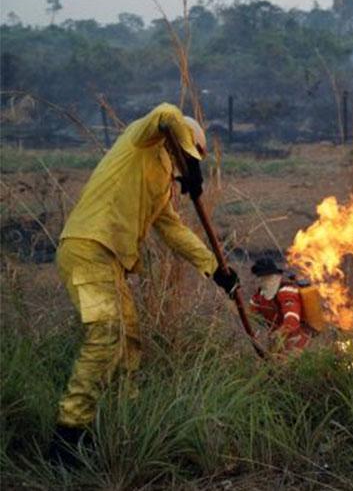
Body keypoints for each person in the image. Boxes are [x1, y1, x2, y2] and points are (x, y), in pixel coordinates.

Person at [49, 103, 240, 463]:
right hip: (89, 247)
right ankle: (67, 436)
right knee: (106, 334)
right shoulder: (142, 139)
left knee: (129, 341)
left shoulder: (161, 179)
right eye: (189, 155)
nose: (185, 162)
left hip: (111, 262)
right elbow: (168, 113)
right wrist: (193, 164)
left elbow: (171, 228)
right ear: (181, 144)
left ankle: (121, 425)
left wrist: (215, 269)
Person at [248, 258, 314, 355]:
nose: (260, 281)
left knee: (288, 366)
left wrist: (278, 333)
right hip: (277, 341)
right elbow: (250, 313)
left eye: (264, 277)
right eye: (259, 277)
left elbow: (292, 320)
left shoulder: (287, 291)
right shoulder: (260, 296)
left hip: (297, 339)